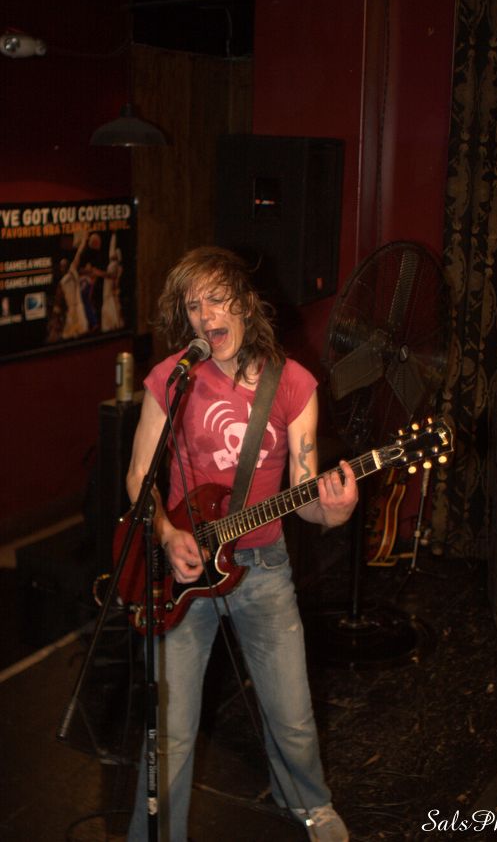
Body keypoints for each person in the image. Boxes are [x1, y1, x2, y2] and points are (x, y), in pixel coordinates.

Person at [126, 246, 358, 842]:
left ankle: (312, 806)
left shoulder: (294, 383)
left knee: (292, 715)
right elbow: (138, 476)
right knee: (170, 729)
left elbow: (303, 494)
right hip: (183, 571)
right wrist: (167, 533)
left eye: (217, 299)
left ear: (247, 304)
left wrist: (334, 512)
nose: (205, 315)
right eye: (193, 305)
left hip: (263, 567)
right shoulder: (172, 377)